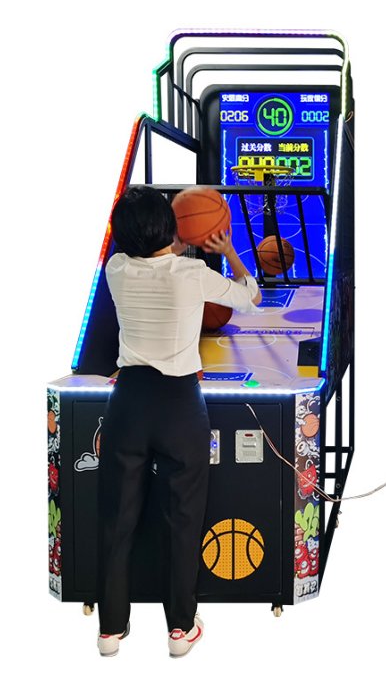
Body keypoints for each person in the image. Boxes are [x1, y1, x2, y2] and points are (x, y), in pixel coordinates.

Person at [96, 185, 261, 658]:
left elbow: (143, 251)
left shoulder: (115, 269)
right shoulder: (192, 274)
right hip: (179, 404)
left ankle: (110, 630)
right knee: (183, 520)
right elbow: (250, 297)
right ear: (170, 229)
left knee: (117, 519)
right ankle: (180, 629)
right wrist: (227, 250)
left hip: (128, 401)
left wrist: (171, 237)